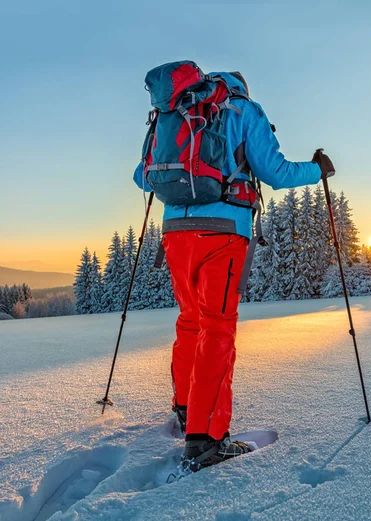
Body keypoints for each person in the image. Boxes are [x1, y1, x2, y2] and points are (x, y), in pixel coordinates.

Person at [134, 69, 335, 472]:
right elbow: (275, 172)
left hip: (175, 234)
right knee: (217, 326)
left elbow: (143, 177)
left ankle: (186, 410)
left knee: (190, 321)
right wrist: (318, 169)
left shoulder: (173, 110)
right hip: (224, 234)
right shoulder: (243, 110)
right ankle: (205, 439)